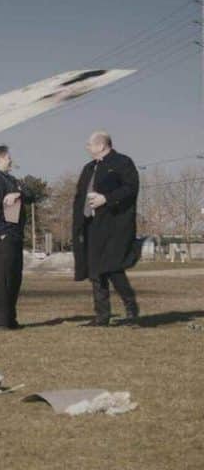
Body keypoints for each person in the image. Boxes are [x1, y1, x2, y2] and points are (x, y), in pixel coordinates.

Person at [73, 131, 140, 326]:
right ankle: (102, 316)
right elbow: (80, 196)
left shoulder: (122, 163)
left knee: (112, 268)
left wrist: (106, 199)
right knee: (95, 271)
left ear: (101, 145)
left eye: (89, 144)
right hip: (91, 225)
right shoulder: (88, 168)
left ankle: (131, 308)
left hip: (115, 225)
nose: (87, 147)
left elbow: (130, 188)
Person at [0, 145, 29, 330]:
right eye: (8, 157)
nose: (11, 159)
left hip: (15, 234)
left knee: (14, 277)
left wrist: (19, 193)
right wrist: (2, 233)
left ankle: (10, 319)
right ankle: (0, 321)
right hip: (4, 236)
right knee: (2, 279)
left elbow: (32, 194)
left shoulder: (11, 179)